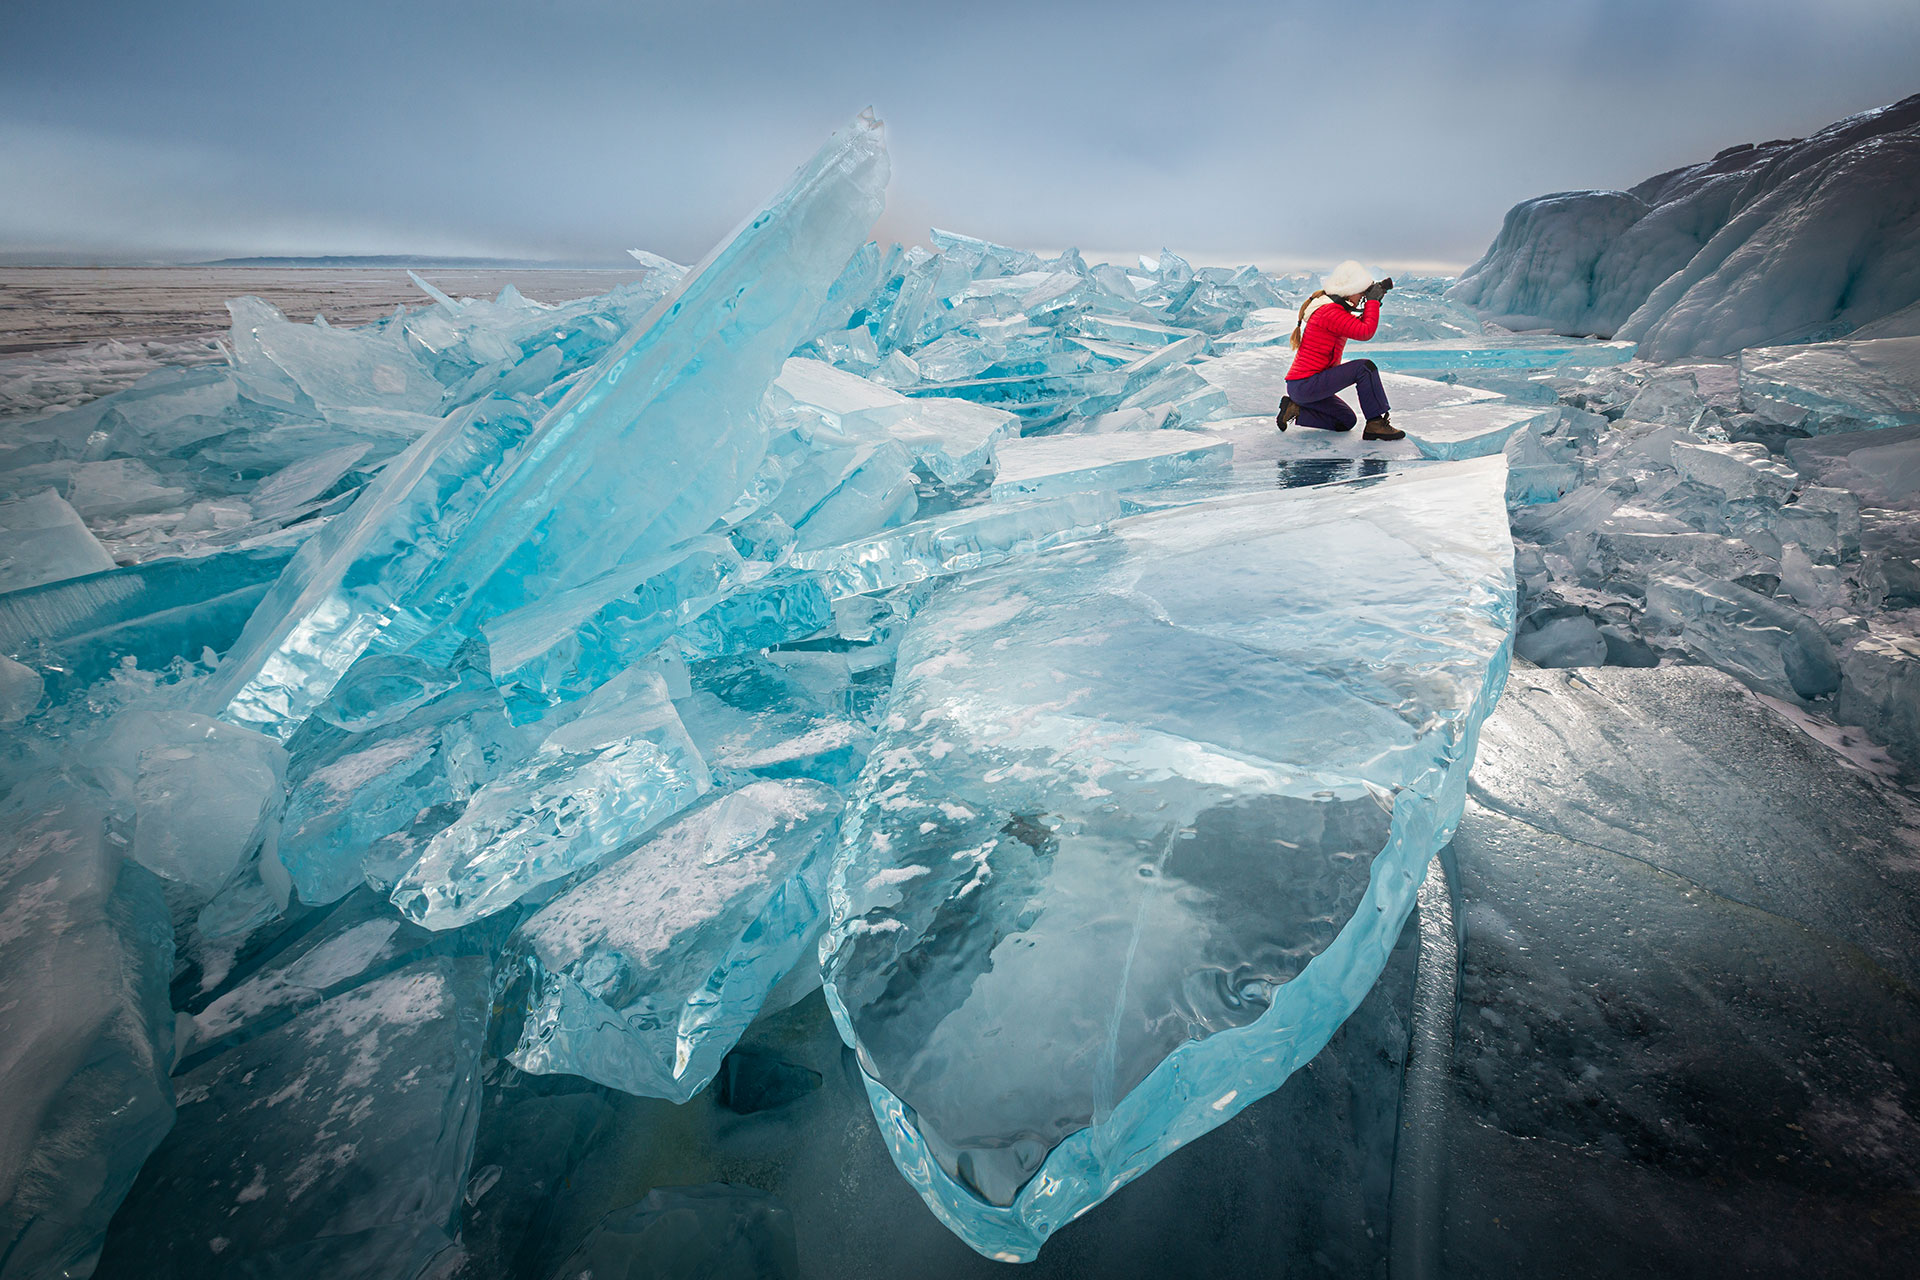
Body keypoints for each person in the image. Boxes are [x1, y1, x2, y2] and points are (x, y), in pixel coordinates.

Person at [1276, 261, 1404, 441]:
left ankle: (1295, 409)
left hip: (1304, 387)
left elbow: (1356, 325)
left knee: (1346, 421)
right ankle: (1376, 424)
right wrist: (1373, 302)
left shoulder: (1331, 310)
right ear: (1349, 291)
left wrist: (1374, 302)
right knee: (1364, 368)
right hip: (1306, 384)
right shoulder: (1329, 312)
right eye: (1361, 293)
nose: (1362, 298)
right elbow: (1365, 332)